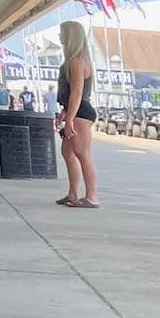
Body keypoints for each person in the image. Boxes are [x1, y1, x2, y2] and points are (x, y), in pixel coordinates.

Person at [54, 21, 99, 209]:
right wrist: (65, 113)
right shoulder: (73, 61)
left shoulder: (77, 61)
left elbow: (77, 92)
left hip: (80, 111)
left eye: (62, 33)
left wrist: (70, 117)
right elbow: (71, 93)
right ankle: (73, 194)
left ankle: (92, 196)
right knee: (68, 152)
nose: (60, 36)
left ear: (70, 36)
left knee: (82, 153)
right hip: (74, 109)